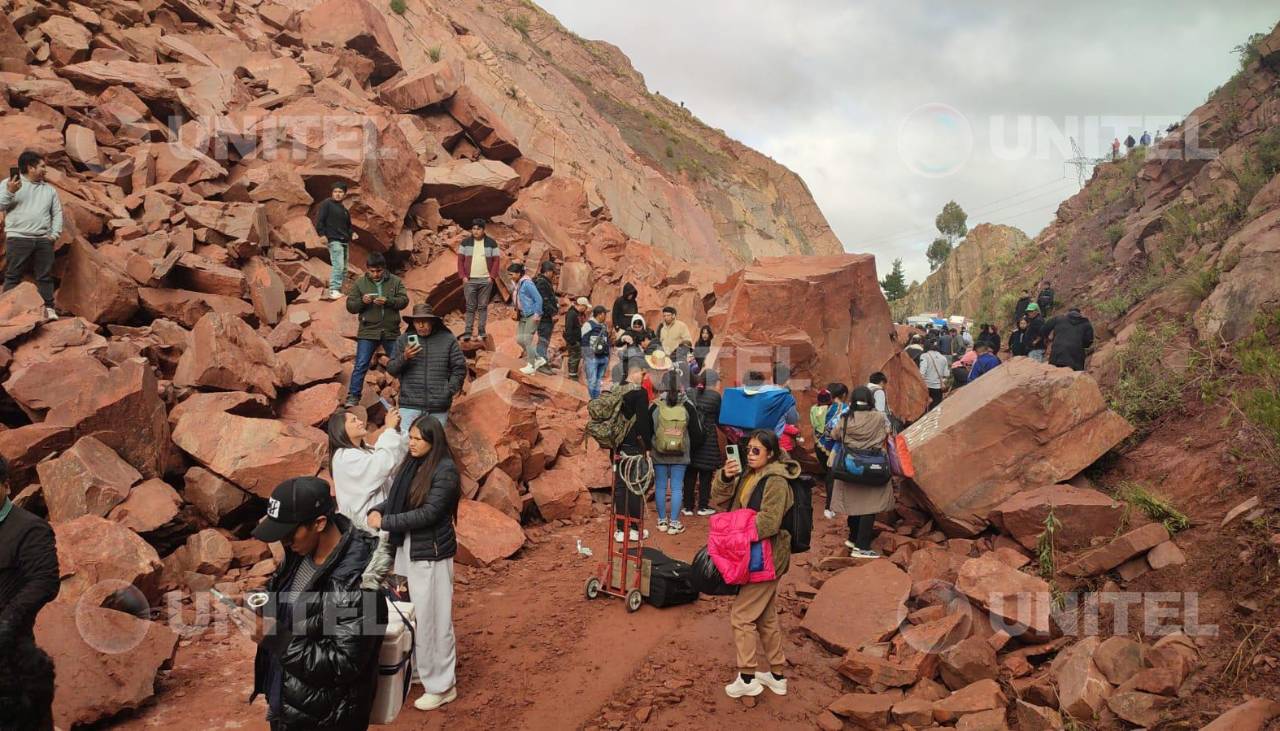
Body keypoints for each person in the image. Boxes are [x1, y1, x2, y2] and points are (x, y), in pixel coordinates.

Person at [247, 476, 387, 731]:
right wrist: (261, 600)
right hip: (289, 703)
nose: (284, 542)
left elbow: (344, 664)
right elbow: (292, 601)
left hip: (326, 718)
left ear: (319, 523)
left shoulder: (358, 583)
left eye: (288, 534)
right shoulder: (299, 554)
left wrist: (280, 640)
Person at [367, 417, 461, 712]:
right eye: (411, 437)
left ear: (434, 441)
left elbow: (430, 513)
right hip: (409, 550)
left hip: (430, 554)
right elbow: (400, 499)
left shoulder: (444, 470)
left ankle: (443, 685)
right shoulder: (412, 465)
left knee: (434, 618)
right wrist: (378, 509)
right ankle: (422, 669)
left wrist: (387, 521)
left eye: (419, 439)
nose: (412, 443)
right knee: (415, 613)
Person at [711, 429, 798, 699]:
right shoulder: (749, 474)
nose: (750, 454)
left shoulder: (777, 481)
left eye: (756, 450)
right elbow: (719, 499)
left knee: (741, 616)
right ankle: (776, 675)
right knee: (765, 617)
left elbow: (769, 523)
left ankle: (747, 676)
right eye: (748, 449)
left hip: (767, 558)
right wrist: (726, 476)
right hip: (754, 555)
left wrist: (732, 533)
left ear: (771, 453)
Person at [0, 456, 59, 731]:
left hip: (13, 661)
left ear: (6, 486)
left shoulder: (30, 528)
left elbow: (45, 581)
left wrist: (7, 622)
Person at [828, 387, 891, 560]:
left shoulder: (846, 417)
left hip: (850, 466)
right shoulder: (879, 416)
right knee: (869, 507)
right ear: (870, 400)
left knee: (854, 504)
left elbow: (834, 435)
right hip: (873, 466)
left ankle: (853, 538)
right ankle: (862, 547)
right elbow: (888, 432)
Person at [2, 151, 63, 320]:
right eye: (42, 166)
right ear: (30, 167)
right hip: (18, 237)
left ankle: (49, 309)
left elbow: (57, 213)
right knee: (13, 275)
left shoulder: (49, 190)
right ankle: (5, 311)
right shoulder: (9, 183)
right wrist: (10, 192)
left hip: (43, 239)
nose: (45, 170)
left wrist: (54, 234)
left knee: (44, 275)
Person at [328, 407, 407, 534]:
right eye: (354, 421)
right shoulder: (344, 457)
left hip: (382, 521)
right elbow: (382, 465)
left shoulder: (366, 450)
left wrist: (396, 430)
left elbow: (395, 463)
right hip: (366, 530)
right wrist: (390, 429)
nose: (360, 422)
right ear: (341, 430)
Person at [345, 252, 409, 407]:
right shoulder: (360, 283)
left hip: (391, 331)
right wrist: (362, 302)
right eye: (372, 271)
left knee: (400, 363)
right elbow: (350, 306)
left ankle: (410, 395)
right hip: (368, 331)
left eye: (378, 271)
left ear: (384, 268)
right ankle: (353, 397)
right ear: (367, 269)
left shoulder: (395, 281)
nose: (375, 274)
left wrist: (388, 301)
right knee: (361, 364)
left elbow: (404, 301)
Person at [387, 304, 466, 426]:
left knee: (435, 443)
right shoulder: (403, 340)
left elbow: (459, 368)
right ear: (412, 322)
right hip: (410, 404)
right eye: (417, 321)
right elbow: (391, 369)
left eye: (424, 321)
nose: (421, 325)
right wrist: (404, 357)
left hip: (438, 406)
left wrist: (448, 390)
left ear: (433, 321)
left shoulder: (448, 339)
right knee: (407, 442)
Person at [649, 370, 702, 535]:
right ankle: (674, 523)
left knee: (661, 487)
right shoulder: (687, 406)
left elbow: (648, 429)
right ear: (681, 385)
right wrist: (688, 448)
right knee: (677, 488)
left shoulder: (655, 405)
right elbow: (697, 434)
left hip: (659, 453)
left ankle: (662, 521)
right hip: (680, 454)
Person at [613, 360, 653, 542]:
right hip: (635, 447)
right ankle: (636, 529)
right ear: (634, 372)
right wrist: (648, 446)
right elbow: (643, 423)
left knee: (620, 488)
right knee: (635, 486)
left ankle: (621, 530)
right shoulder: (639, 393)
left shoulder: (616, 390)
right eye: (642, 374)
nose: (643, 378)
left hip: (617, 447)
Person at [684, 369, 721, 518]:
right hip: (708, 441)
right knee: (706, 476)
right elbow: (719, 419)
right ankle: (702, 506)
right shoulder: (716, 397)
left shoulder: (690, 393)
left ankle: (687, 506)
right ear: (715, 382)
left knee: (690, 474)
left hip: (692, 440)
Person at [456, 218, 500, 341]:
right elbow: (460, 260)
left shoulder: (492, 243)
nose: (475, 231)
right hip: (469, 280)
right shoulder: (465, 243)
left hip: (486, 280)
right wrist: (463, 276)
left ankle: (481, 332)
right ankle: (468, 332)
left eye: (478, 228)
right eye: (474, 228)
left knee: (482, 307)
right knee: (470, 307)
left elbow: (496, 260)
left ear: (483, 229)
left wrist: (492, 277)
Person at [314, 181, 358, 301]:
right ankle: (333, 290)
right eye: (335, 191)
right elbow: (320, 220)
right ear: (332, 193)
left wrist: (352, 233)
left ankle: (340, 290)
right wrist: (321, 234)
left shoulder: (344, 210)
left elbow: (348, 226)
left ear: (344, 194)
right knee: (338, 265)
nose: (337, 194)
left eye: (340, 192)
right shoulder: (327, 204)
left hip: (344, 240)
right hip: (333, 240)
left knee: (343, 267)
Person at [818, 383, 850, 520]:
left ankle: (831, 505)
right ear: (843, 395)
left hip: (819, 445)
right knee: (833, 478)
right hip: (834, 448)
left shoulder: (818, 407)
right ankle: (829, 508)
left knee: (828, 475)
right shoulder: (844, 409)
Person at [510, 262, 543, 376]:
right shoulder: (518, 283)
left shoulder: (527, 284)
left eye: (512, 274)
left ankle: (531, 366)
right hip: (523, 315)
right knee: (520, 339)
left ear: (519, 274)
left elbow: (538, 299)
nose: (511, 277)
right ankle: (538, 359)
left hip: (531, 315)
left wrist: (537, 314)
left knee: (527, 340)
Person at [1043, 307, 1095, 371]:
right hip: (1076, 356)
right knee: (1073, 378)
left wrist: (1048, 339)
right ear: (1080, 314)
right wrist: (1079, 343)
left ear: (1068, 312)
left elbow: (1044, 329)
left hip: (1057, 353)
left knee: (1055, 374)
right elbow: (1088, 342)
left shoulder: (1059, 319)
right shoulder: (1086, 324)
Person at [533, 260, 558, 373]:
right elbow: (544, 301)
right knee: (543, 340)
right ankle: (541, 364)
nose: (554, 275)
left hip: (545, 316)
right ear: (548, 271)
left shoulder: (543, 282)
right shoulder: (542, 283)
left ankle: (543, 362)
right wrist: (552, 312)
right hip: (544, 317)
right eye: (553, 272)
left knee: (545, 340)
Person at [581, 305, 611, 399]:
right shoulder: (588, 324)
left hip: (603, 357)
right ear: (600, 314)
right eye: (605, 314)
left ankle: (596, 400)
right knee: (592, 380)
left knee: (598, 381)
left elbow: (606, 341)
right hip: (592, 357)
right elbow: (584, 341)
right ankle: (591, 401)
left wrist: (607, 356)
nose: (606, 316)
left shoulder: (604, 326)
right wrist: (588, 355)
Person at [918, 341, 949, 411]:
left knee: (925, 408)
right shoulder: (943, 358)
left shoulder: (924, 356)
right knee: (935, 409)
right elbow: (946, 374)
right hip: (938, 388)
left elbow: (922, 372)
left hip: (927, 386)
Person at [564, 297, 589, 380]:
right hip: (573, 340)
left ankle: (572, 374)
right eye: (585, 307)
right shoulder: (572, 314)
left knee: (575, 356)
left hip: (575, 339)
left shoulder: (574, 313)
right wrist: (572, 341)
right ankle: (572, 375)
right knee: (574, 357)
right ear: (581, 306)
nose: (585, 309)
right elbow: (569, 328)